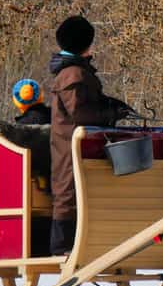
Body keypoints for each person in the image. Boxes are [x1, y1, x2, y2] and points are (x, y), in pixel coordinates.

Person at [48, 15, 132, 254]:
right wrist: (110, 112)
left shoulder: (76, 71)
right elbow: (80, 112)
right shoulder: (73, 73)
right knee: (69, 192)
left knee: (76, 190)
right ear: (84, 43)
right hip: (70, 146)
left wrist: (110, 105)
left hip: (77, 145)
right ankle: (62, 246)